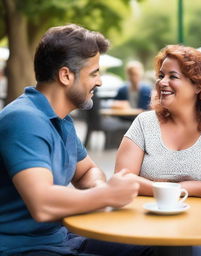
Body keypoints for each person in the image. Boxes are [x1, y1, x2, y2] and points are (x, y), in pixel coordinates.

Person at [0, 24, 154, 256]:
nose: (100, 82)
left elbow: (86, 172)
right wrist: (108, 195)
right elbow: (43, 204)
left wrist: (99, 188)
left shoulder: (62, 121)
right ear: (65, 75)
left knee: (154, 248)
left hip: (60, 239)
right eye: (94, 73)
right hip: (22, 249)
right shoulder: (23, 119)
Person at [115, 45, 201, 256]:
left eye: (172, 76)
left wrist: (178, 188)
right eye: (161, 75)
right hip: (148, 221)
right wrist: (168, 189)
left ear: (197, 86)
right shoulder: (144, 122)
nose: (162, 82)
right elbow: (122, 178)